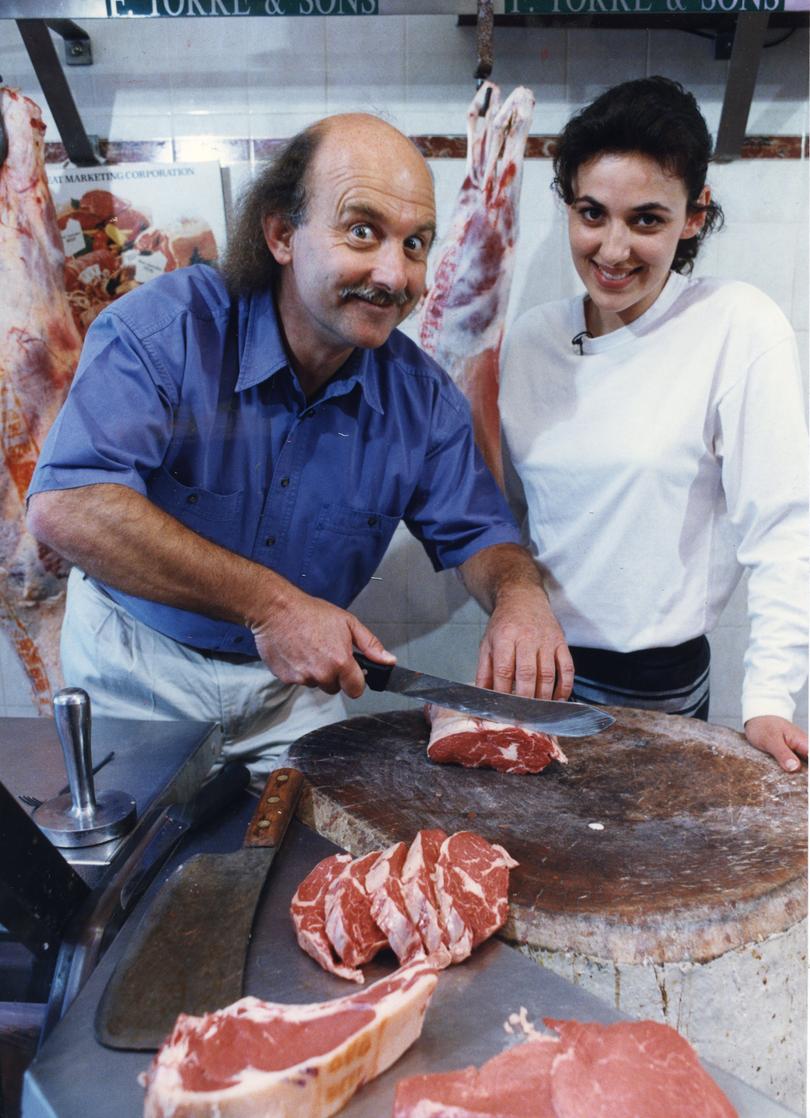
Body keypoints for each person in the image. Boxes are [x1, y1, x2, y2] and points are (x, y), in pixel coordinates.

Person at [26, 112, 572, 775]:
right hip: (136, 673)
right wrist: (271, 604)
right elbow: (68, 505)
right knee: (132, 874)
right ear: (282, 234)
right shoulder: (166, 331)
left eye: (415, 244)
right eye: (362, 231)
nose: (394, 276)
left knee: (305, 867)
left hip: (288, 696)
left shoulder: (419, 399)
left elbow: (484, 534)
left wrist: (521, 597)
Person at [500, 76, 808, 773]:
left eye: (646, 219)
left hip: (659, 689)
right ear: (568, 208)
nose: (612, 250)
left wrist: (769, 701)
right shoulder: (530, 340)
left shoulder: (736, 324)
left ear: (694, 216)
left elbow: (784, 528)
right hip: (534, 678)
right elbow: (510, 515)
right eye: (592, 213)